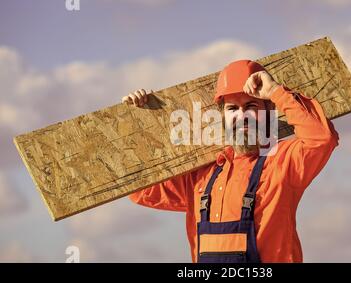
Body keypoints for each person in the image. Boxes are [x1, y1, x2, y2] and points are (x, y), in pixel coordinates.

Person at [121, 60, 339, 263]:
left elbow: (321, 139)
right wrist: (134, 121)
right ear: (222, 117)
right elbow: (139, 188)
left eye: (251, 106)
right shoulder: (201, 174)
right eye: (232, 109)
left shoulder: (282, 162)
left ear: (268, 111)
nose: (241, 115)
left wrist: (274, 91)